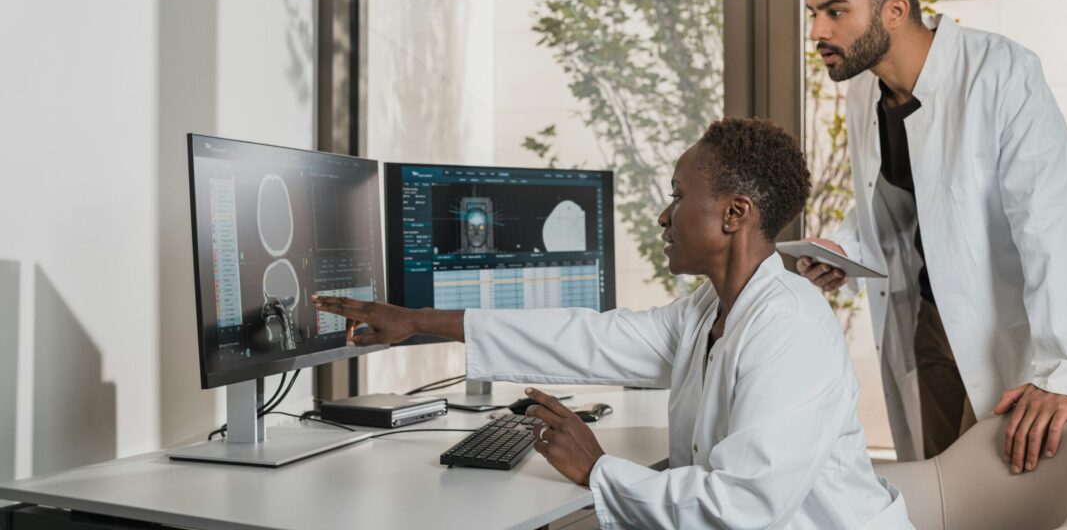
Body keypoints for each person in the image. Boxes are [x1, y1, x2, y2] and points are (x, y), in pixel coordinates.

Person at [314, 118, 912, 529]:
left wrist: (597, 468)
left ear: (735, 214)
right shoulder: (710, 309)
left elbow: (741, 510)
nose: (663, 215)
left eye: (678, 196)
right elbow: (589, 339)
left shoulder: (790, 329)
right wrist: (418, 320)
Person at [797, 0, 1067, 475]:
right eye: (815, 13)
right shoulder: (866, 91)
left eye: (835, 12)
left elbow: (1058, 223)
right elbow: (895, 208)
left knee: (1008, 495)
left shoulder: (999, 72)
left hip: (1005, 333)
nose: (817, 31)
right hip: (927, 325)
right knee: (943, 491)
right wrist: (846, 247)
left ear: (895, 11)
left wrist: (1064, 372)